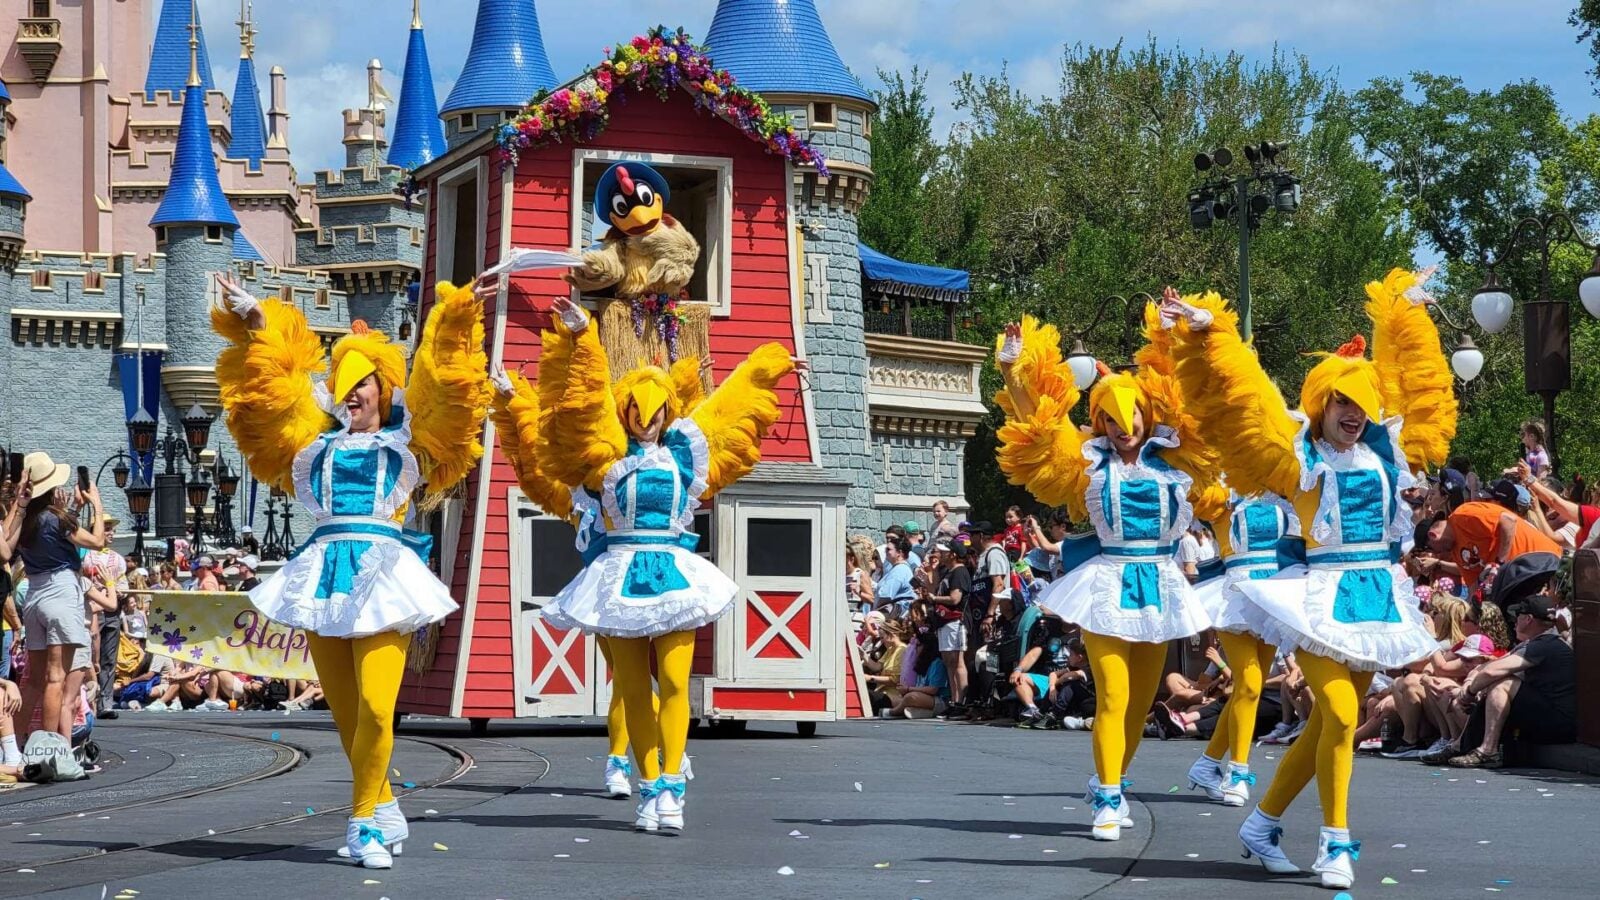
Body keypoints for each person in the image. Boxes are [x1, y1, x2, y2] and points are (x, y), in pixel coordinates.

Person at [1167, 268, 1455, 889]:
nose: (1354, 414)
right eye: (1343, 403)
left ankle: (1263, 820)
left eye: (1363, 404)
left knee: (1330, 724)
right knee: (1343, 714)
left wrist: (1402, 317)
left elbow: (1416, 387)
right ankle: (1334, 842)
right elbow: (1249, 399)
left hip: (1376, 598)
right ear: (1322, 404)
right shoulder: (1295, 457)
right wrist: (1211, 332)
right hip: (1318, 597)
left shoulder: (1387, 453)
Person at [212, 271, 488, 867]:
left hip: (385, 573)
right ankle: (383, 800)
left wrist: (456, 322)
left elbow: (444, 393)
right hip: (322, 575)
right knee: (342, 712)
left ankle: (362, 822)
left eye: (361, 384)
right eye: (341, 385)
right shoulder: (318, 443)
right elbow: (278, 396)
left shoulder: (405, 442)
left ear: (383, 388)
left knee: (376, 707)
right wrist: (259, 323)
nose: (350, 395)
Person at [523, 276, 796, 835]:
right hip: (619, 572)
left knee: (674, 684)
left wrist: (772, 365)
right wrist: (582, 339)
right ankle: (649, 781)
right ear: (623, 411)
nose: (644, 418)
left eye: (654, 411)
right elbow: (578, 405)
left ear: (666, 411)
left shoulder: (687, 454)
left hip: (673, 571)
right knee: (630, 688)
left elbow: (733, 403)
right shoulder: (603, 459)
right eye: (635, 410)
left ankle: (671, 782)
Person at [994, 298, 1222, 843]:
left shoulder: (1176, 457)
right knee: (1114, 696)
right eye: (1114, 420)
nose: (1125, 427)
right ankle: (1107, 796)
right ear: (1101, 421)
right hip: (1107, 581)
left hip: (1161, 584)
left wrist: (1182, 334)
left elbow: (1208, 398)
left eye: (1134, 417)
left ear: (1147, 416)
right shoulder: (1087, 460)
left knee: (1142, 703)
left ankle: (1114, 777)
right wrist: (1010, 370)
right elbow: (1038, 429)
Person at [1185, 490, 1301, 808]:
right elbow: (1193, 489)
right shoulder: (1222, 492)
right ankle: (1237, 772)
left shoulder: (1287, 491)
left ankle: (1207, 764)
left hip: (1273, 595)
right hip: (1235, 596)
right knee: (1248, 686)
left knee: (1247, 693)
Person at [0, 453, 107, 758]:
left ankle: (13, 746)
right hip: (62, 592)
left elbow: (13, 544)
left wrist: (72, 508)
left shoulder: (26, 518)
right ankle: (50, 750)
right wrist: (95, 503)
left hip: (34, 594)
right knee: (56, 678)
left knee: (33, 679)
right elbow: (97, 541)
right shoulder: (58, 518)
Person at [1448, 593, 1575, 768]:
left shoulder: (1546, 644)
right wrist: (1472, 682)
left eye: (1518, 616)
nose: (1514, 621)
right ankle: (1459, 745)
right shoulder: (1534, 643)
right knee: (1492, 682)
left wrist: (1469, 693)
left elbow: (1493, 671)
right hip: (1545, 715)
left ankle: (1488, 750)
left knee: (1502, 683)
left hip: (1559, 724)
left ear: (1529, 619)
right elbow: (1489, 667)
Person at [1415, 499, 1562, 591]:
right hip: (1524, 579)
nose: (1437, 553)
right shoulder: (1456, 552)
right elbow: (1473, 586)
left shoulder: (1463, 515)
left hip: (1545, 562)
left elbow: (1508, 521)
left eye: (1430, 549)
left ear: (1432, 535)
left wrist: (1499, 563)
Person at [919, 541, 971, 719]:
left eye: (943, 552)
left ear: (953, 554)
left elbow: (955, 598)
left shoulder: (959, 571)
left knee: (958, 660)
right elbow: (934, 589)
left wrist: (935, 598)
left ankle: (961, 702)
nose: (939, 554)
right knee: (949, 660)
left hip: (956, 619)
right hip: (944, 621)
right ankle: (954, 699)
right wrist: (931, 571)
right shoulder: (947, 572)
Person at [874, 536, 916, 613]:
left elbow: (886, 596)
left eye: (888, 549)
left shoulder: (899, 570)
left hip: (893, 615)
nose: (885, 552)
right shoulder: (897, 569)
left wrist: (875, 612)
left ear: (899, 553)